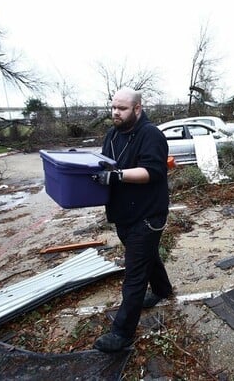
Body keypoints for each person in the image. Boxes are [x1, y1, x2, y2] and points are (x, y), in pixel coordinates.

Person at [93, 87, 173, 353]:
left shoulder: (151, 135)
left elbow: (152, 172)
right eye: (113, 107)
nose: (116, 112)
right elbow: (104, 165)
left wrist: (117, 176)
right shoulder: (112, 135)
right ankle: (163, 289)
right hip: (123, 214)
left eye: (122, 108)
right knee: (146, 255)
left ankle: (122, 333)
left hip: (148, 215)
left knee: (135, 274)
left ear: (137, 109)